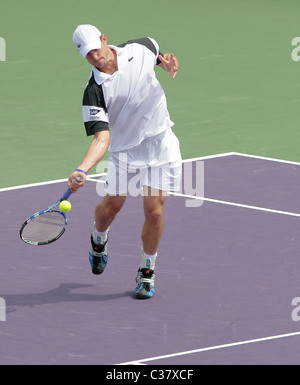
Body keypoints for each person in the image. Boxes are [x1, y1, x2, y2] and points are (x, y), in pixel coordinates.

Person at [68, 24, 182, 299]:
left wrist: (166, 64)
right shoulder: (94, 91)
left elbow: (159, 55)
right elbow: (101, 138)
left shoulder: (140, 48)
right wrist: (83, 168)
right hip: (124, 152)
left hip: (160, 144)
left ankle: (146, 272)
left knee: (154, 212)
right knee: (111, 209)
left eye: (96, 49)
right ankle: (98, 239)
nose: (95, 57)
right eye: (88, 55)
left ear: (104, 39)